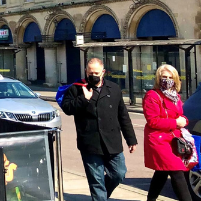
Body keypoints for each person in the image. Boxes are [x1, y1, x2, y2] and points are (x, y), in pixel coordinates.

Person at [61, 57, 137, 201]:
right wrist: (84, 99)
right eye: (90, 73)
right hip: (90, 143)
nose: (93, 76)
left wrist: (131, 139)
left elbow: (123, 116)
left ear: (103, 72)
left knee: (119, 173)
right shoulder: (76, 88)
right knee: (96, 183)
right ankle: (100, 197)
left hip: (112, 141)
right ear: (86, 72)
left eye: (96, 73)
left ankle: (101, 196)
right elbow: (67, 108)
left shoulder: (114, 88)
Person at [143, 64, 196, 201]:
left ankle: (151, 199)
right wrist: (175, 122)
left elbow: (181, 114)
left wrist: (183, 120)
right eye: (163, 77)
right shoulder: (152, 95)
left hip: (173, 139)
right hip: (158, 140)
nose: (167, 80)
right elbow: (153, 121)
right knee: (177, 171)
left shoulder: (175, 96)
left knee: (161, 172)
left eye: (170, 77)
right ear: (158, 78)